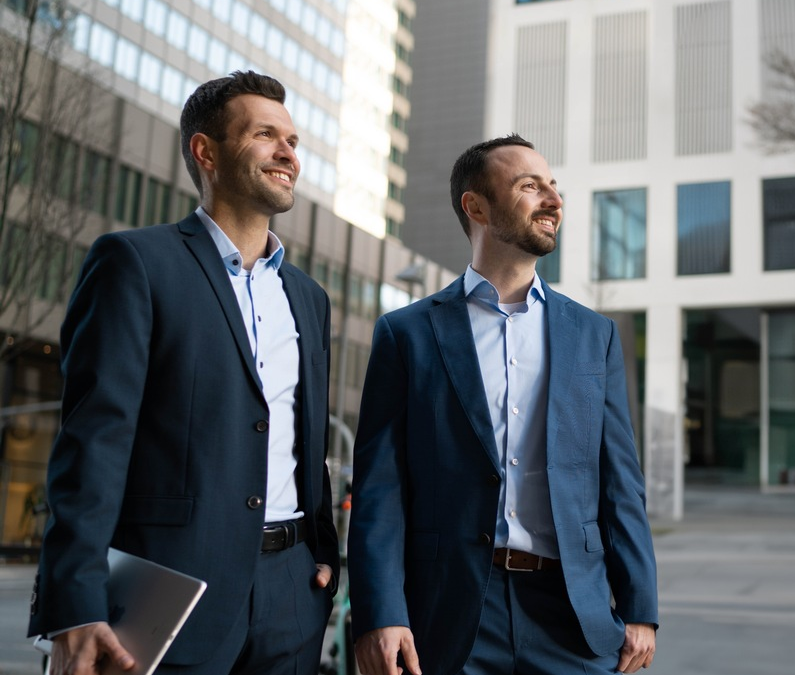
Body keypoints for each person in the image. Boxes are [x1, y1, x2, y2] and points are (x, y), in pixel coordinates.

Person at [27, 71, 339, 675]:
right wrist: (75, 605)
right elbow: (93, 444)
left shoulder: (309, 297)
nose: (287, 154)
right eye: (266, 135)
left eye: (294, 142)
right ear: (206, 151)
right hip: (166, 595)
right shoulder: (136, 263)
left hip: (290, 603)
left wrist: (321, 551)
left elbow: (306, 437)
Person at [349, 134, 658, 675]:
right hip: (449, 615)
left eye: (554, 188)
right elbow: (380, 484)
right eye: (529, 186)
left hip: (573, 616)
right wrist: (380, 612)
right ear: (477, 207)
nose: (553, 201)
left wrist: (640, 605)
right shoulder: (408, 334)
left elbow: (619, 479)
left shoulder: (594, 335)